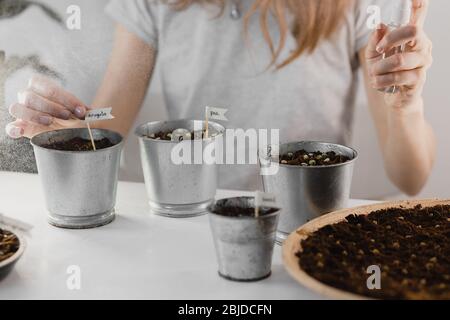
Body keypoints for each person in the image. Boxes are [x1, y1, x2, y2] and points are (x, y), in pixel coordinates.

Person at [5, 0, 434, 195]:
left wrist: (407, 105)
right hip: (193, 224)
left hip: (307, 230)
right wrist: (67, 129)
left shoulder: (358, 6)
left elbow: (410, 177)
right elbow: (107, 122)